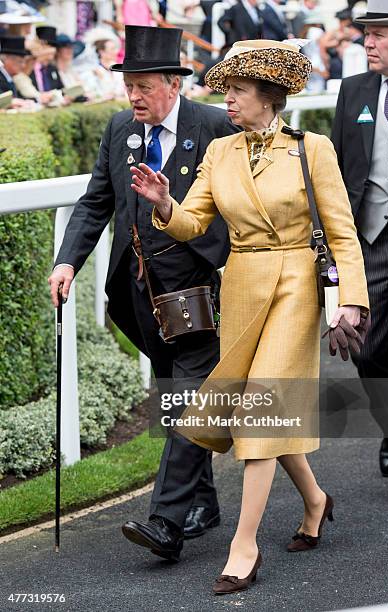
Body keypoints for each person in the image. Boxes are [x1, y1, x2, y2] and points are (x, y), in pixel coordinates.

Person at [130, 38, 369, 593]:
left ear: (269, 95)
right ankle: (315, 500)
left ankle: (245, 545)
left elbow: (342, 232)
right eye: (228, 90)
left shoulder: (314, 149)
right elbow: (191, 223)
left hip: (293, 287)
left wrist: (352, 298)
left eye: (238, 91)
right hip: (239, 287)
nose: (227, 100)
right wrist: (164, 203)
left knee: (261, 411)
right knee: (268, 407)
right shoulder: (221, 153)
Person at [48, 25, 238, 560]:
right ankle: (203, 502)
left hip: (198, 285)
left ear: (173, 85)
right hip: (138, 291)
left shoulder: (215, 125)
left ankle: (166, 521)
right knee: (173, 395)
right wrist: (67, 262)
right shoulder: (119, 130)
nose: (133, 95)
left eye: (144, 85)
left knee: (193, 394)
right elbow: (94, 203)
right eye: (129, 84)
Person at [331, 0, 388, 505]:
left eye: (378, 35)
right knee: (368, 348)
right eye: (366, 35)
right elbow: (336, 170)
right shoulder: (353, 90)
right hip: (371, 235)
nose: (367, 43)